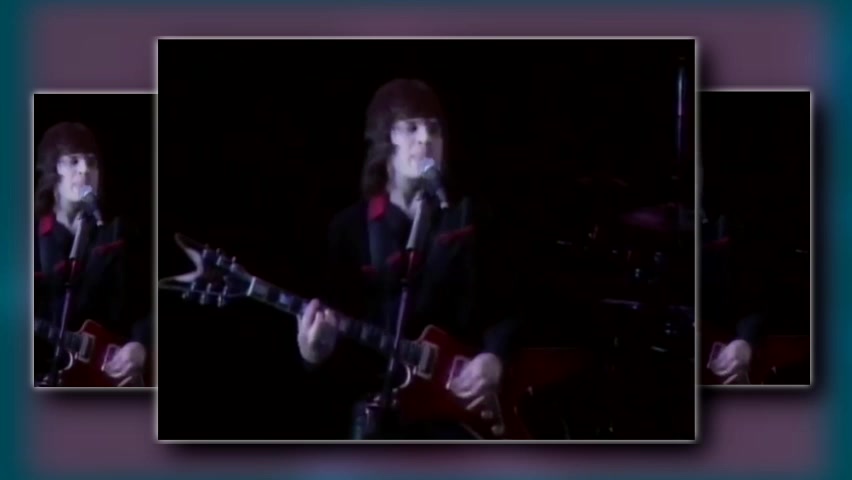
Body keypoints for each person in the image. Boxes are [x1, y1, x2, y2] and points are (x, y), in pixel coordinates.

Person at [295, 79, 520, 439]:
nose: (426, 138)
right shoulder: (350, 229)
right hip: (382, 418)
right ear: (386, 140)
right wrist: (313, 354)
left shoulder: (469, 217)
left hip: (457, 420)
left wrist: (495, 360)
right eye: (411, 127)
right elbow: (336, 341)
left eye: (434, 128)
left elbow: (508, 304)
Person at [33, 121, 152, 387]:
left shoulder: (118, 232)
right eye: (73, 161)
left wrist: (141, 346)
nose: (85, 169)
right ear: (53, 170)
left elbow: (148, 301)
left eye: (92, 162)